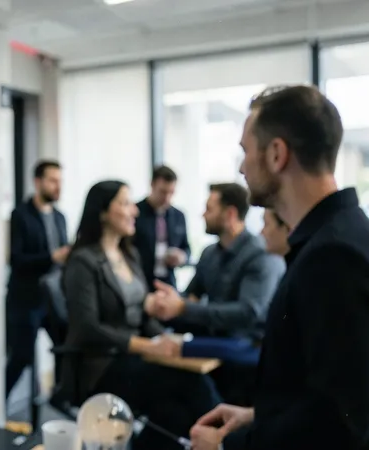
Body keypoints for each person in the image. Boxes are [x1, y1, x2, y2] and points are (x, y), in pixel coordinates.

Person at [189, 85, 369, 450]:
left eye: (245, 151)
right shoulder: (337, 235)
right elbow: (325, 390)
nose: (241, 167)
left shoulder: (331, 256)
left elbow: (341, 424)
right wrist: (259, 416)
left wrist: (228, 447)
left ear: (276, 154)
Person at [62, 180, 221, 450]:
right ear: (102, 212)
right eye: (124, 203)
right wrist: (147, 345)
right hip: (102, 365)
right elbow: (87, 327)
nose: (134, 210)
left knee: (175, 415)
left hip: (135, 357)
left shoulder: (130, 255)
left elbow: (143, 314)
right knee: (195, 383)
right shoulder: (83, 261)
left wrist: (166, 340)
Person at [146, 183, 284, 343]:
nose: (203, 215)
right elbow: (192, 296)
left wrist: (183, 307)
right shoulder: (209, 253)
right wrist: (166, 300)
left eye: (209, 209)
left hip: (246, 342)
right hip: (213, 336)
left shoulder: (261, 255)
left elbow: (248, 312)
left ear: (230, 214)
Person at [5, 160, 70, 399]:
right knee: (21, 358)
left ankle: (59, 398)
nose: (57, 186)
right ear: (38, 182)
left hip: (54, 299)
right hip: (26, 299)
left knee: (67, 348)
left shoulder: (61, 217)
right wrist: (53, 256)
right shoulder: (20, 215)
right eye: (53, 181)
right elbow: (16, 259)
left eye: (60, 181)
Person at [133, 165, 190, 291]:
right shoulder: (135, 213)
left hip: (168, 281)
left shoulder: (178, 216)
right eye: (163, 192)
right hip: (140, 280)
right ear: (152, 185)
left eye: (171, 192)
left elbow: (186, 248)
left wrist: (181, 257)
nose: (167, 198)